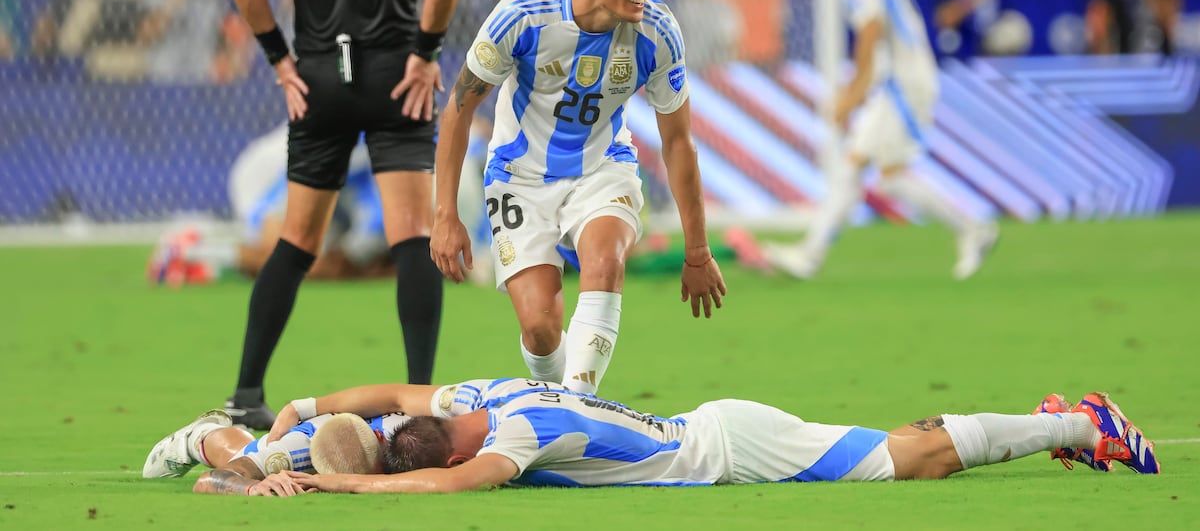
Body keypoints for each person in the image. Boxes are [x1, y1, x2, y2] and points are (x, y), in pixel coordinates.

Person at [220, 0, 463, 428]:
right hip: (395, 80)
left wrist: (278, 57)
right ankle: (420, 403)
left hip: (321, 81)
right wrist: (425, 52)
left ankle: (244, 394)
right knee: (412, 237)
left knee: (296, 242)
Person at [429, 0, 726, 397]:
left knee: (605, 262)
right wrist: (445, 215)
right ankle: (563, 400)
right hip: (520, 176)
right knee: (541, 331)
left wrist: (697, 251)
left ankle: (579, 411)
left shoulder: (659, 33)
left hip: (603, 169)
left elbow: (678, 142)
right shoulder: (524, 14)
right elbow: (458, 110)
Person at [256, 378, 1160, 495]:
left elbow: (448, 486)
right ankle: (1060, 421)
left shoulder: (514, 441)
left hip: (732, 450)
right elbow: (386, 395)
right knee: (900, 451)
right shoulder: (475, 395)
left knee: (908, 457)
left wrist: (334, 483)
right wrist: (297, 416)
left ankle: (1084, 422)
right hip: (715, 425)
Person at [763, 0, 998, 281]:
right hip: (896, 83)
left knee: (878, 174)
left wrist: (853, 93)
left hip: (905, 84)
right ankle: (809, 255)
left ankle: (973, 229)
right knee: (867, 170)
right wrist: (856, 89)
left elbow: (871, 29)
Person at [141, 407, 413, 495]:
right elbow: (209, 480)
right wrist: (251, 488)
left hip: (347, 420)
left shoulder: (411, 434)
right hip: (303, 438)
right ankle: (202, 435)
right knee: (242, 454)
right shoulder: (293, 454)